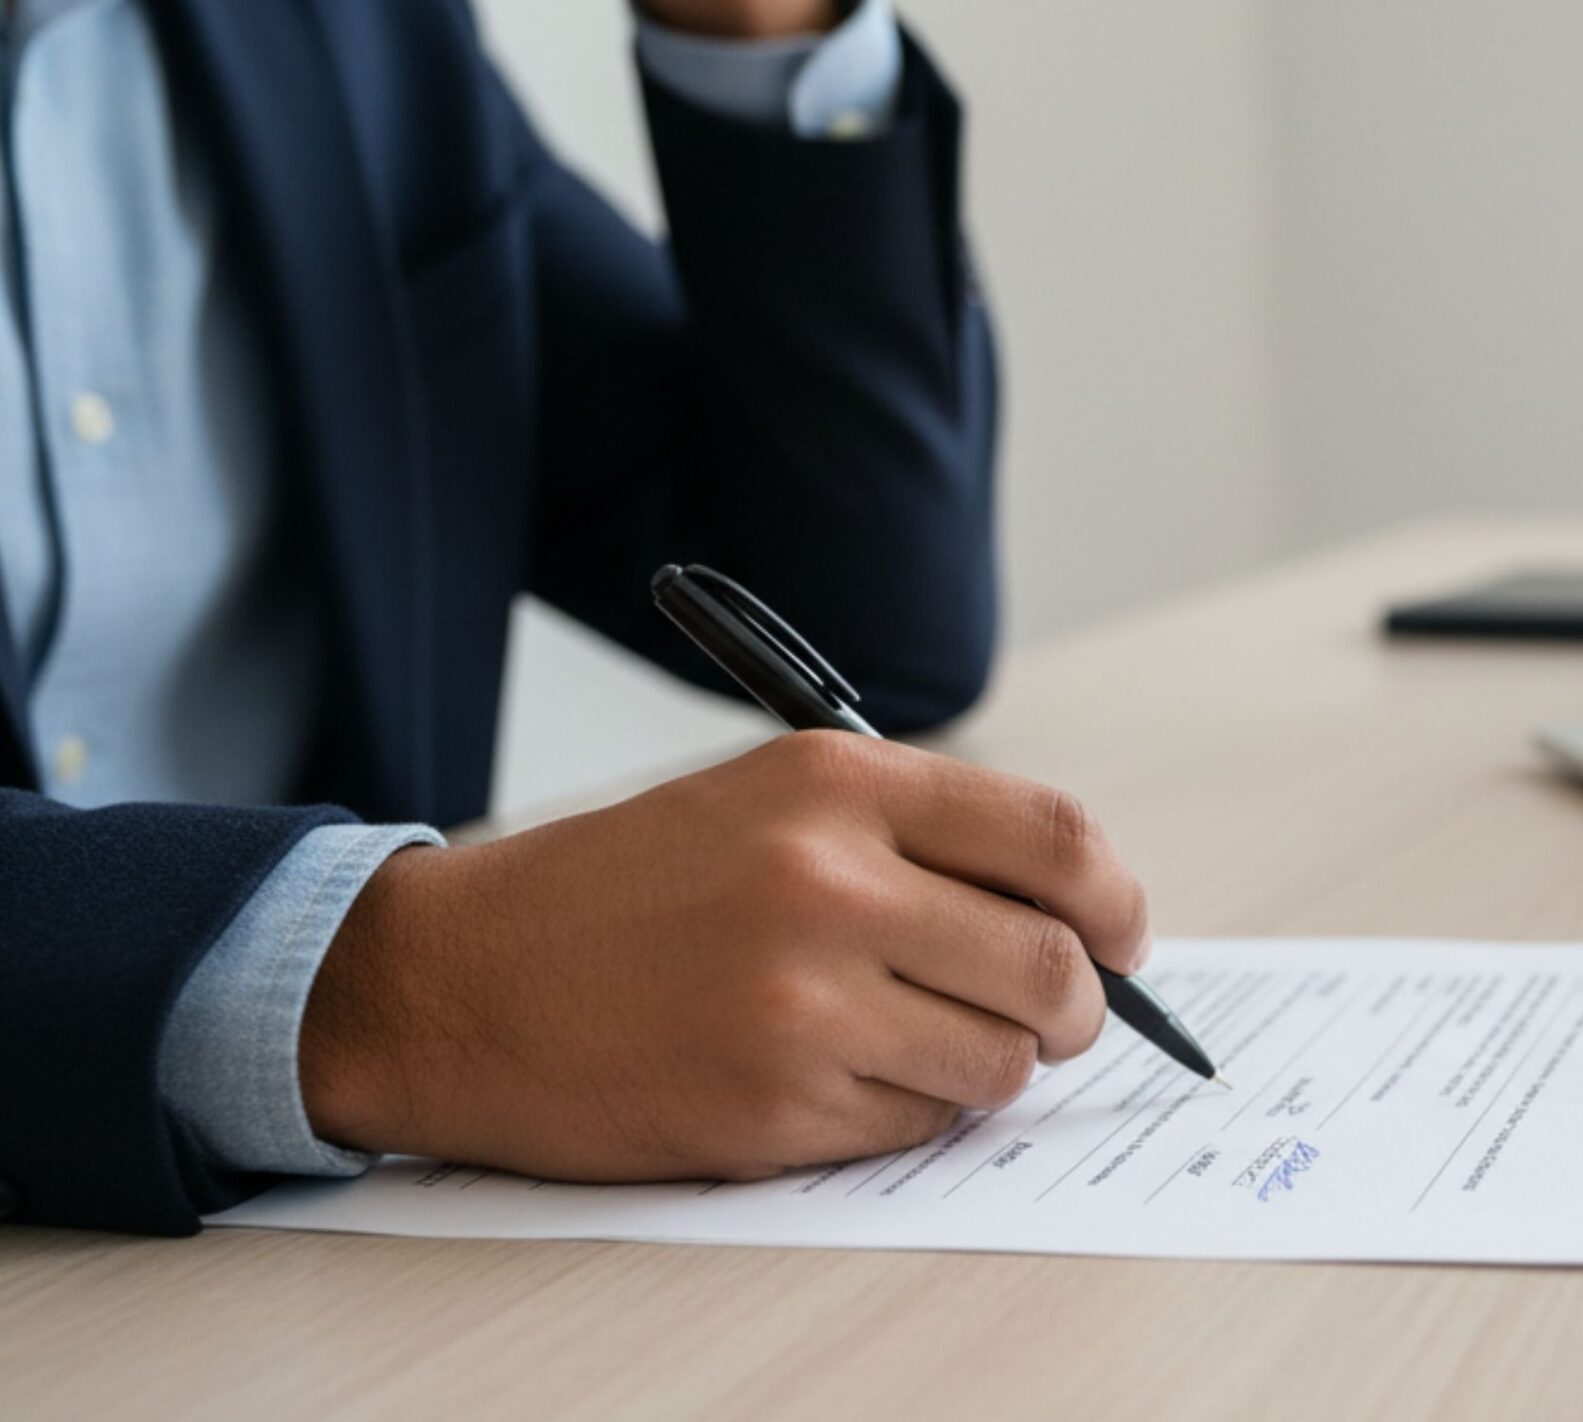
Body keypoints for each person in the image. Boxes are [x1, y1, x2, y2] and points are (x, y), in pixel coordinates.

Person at [0, 0, 1151, 1236]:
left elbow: (867, 615)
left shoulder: (352, 29)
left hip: (332, 1277)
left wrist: (758, 27)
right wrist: (387, 986)